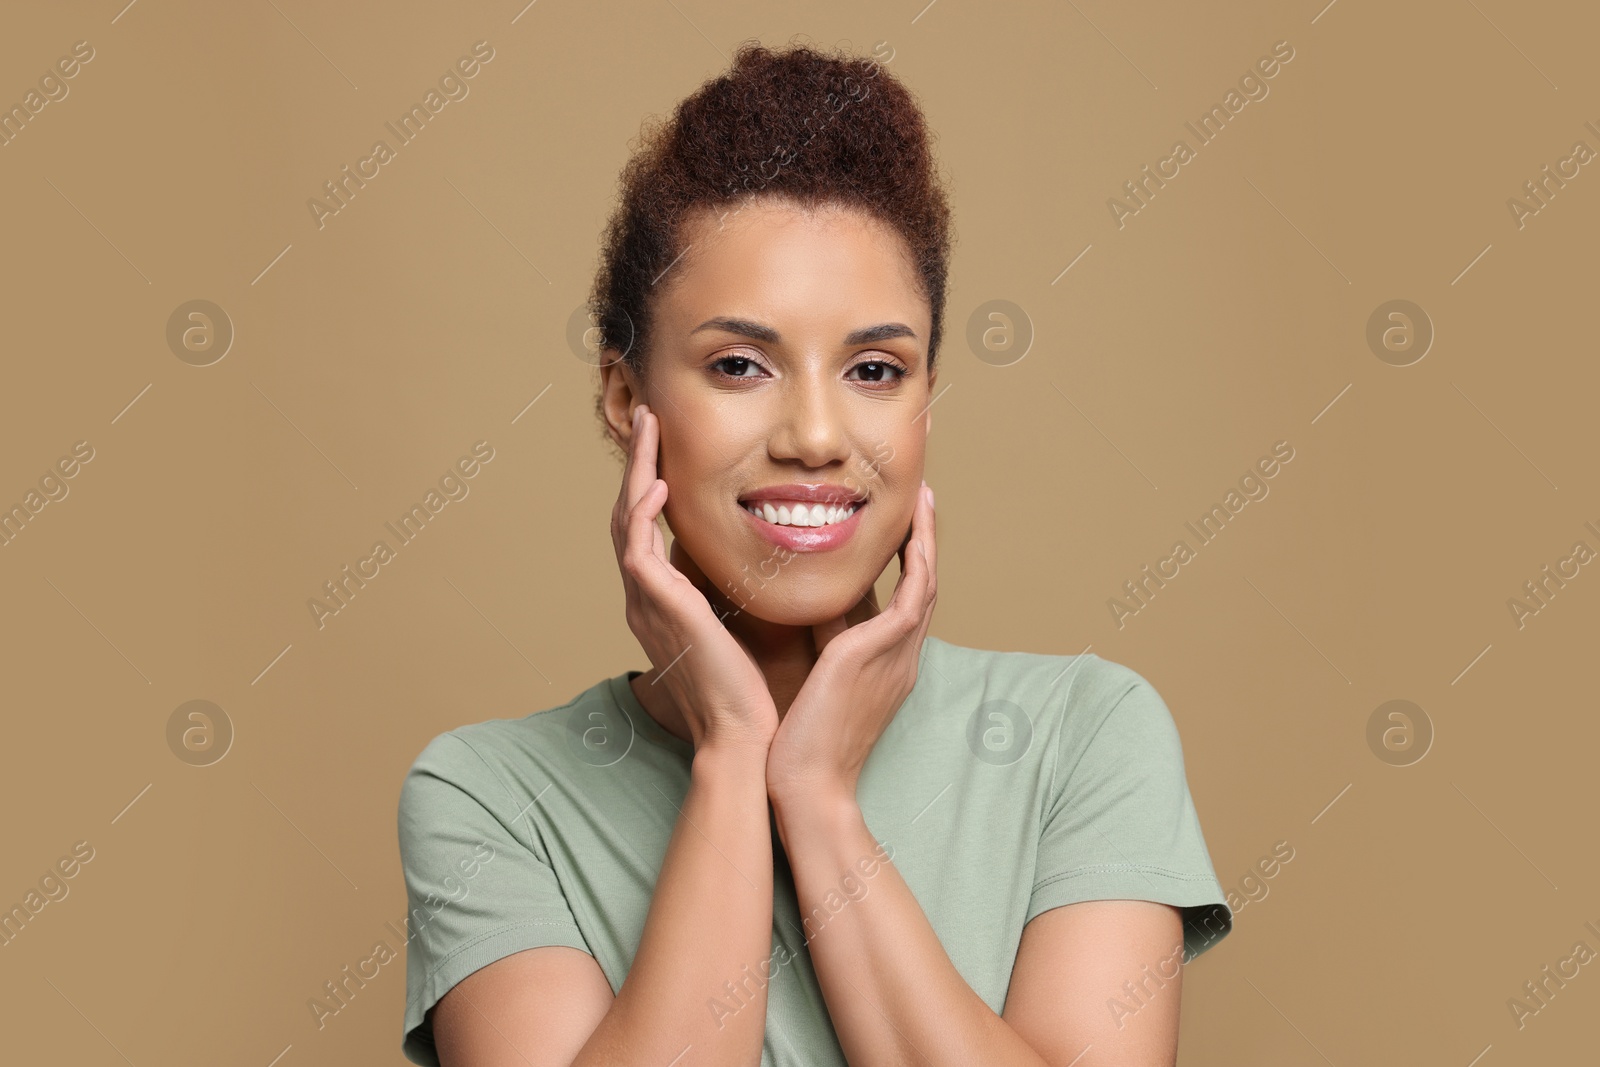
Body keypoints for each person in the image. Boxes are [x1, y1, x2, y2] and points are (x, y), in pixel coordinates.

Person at [397, 38, 1231, 1067]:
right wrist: (729, 753)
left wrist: (819, 802)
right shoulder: (488, 797)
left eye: (875, 368)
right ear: (626, 399)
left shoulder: (1084, 740)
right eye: (740, 363)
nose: (817, 435)